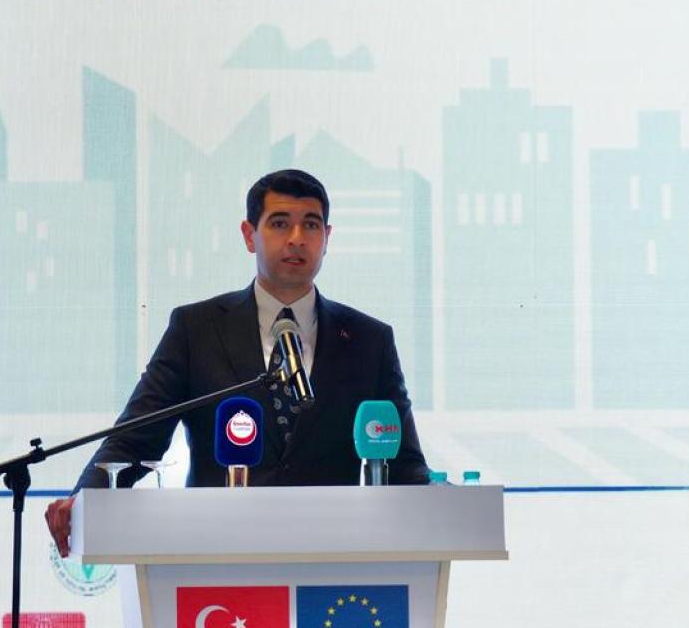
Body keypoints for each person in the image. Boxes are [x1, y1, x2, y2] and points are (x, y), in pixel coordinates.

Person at [45, 169, 430, 556]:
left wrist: (440, 495)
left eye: (311, 225)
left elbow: (405, 464)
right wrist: (85, 499)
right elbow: (135, 437)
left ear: (327, 238)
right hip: (218, 557)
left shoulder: (369, 340)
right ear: (249, 235)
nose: (297, 238)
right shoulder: (196, 329)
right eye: (280, 223)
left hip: (334, 556)